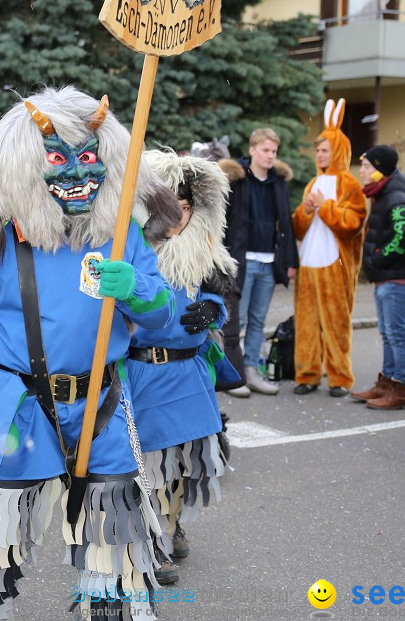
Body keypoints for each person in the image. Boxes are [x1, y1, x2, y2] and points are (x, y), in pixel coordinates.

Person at [0, 87, 184, 620]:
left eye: (89, 160)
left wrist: (136, 288)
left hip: (103, 404)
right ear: (25, 169)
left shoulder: (121, 235)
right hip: (18, 408)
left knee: (115, 534)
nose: (76, 176)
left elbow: (162, 316)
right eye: (58, 161)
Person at [131, 149, 236, 583]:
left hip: (188, 373)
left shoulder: (205, 246)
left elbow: (221, 292)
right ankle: (151, 543)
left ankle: (172, 525)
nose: (181, 215)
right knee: (146, 466)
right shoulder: (131, 247)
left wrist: (213, 309)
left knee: (180, 462)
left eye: (188, 206)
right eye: (174, 206)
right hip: (143, 373)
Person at [290, 100, 366, 396]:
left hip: (336, 265)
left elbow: (353, 223)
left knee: (336, 324)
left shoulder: (350, 185)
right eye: (318, 150)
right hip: (309, 263)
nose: (320, 154)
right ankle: (306, 374)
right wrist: (307, 211)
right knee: (307, 323)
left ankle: (339, 377)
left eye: (325, 150)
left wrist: (326, 206)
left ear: (338, 151)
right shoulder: (313, 183)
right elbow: (297, 226)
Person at [220, 128, 298, 397]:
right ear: (252, 150)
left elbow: (285, 222)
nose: (270, 156)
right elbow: (224, 221)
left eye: (274, 151)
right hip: (242, 259)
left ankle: (252, 369)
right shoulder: (238, 180)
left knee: (257, 319)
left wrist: (288, 259)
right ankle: (234, 373)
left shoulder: (278, 182)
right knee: (236, 320)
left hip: (268, 260)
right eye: (265, 150)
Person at [350, 145, 405, 410]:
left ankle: (401, 388)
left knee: (396, 334)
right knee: (388, 333)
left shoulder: (397, 197)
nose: (363, 171)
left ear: (381, 170)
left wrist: (377, 259)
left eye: (367, 166)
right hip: (386, 277)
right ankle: (387, 383)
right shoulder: (382, 194)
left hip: (395, 278)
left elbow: (404, 237)